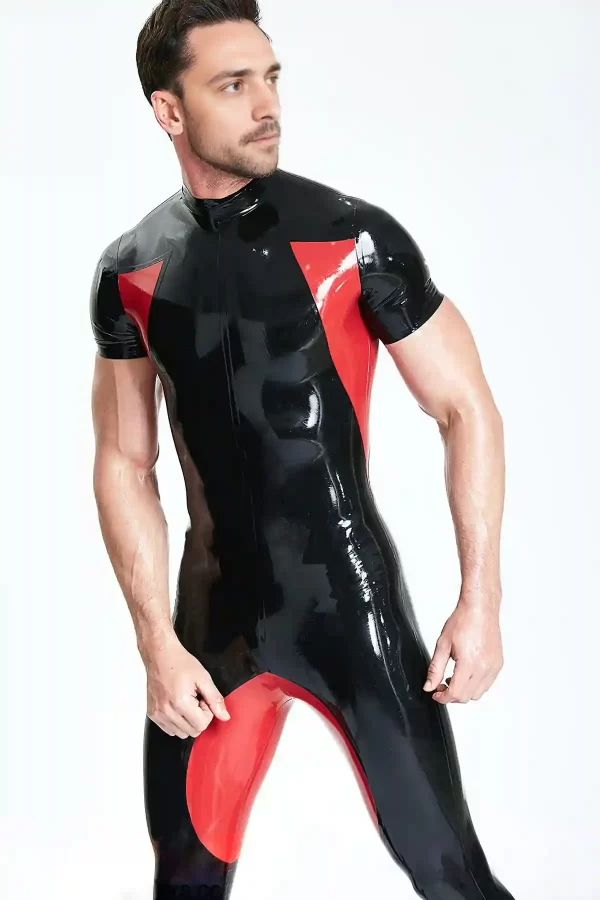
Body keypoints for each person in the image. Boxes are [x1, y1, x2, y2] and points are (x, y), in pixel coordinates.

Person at [89, 2, 515, 898]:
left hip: (349, 610)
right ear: (169, 110)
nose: (266, 104)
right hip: (213, 628)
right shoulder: (131, 268)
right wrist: (157, 643)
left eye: (271, 77)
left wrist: (480, 601)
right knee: (185, 884)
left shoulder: (354, 238)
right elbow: (125, 464)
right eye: (232, 85)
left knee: (451, 875)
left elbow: (465, 408)